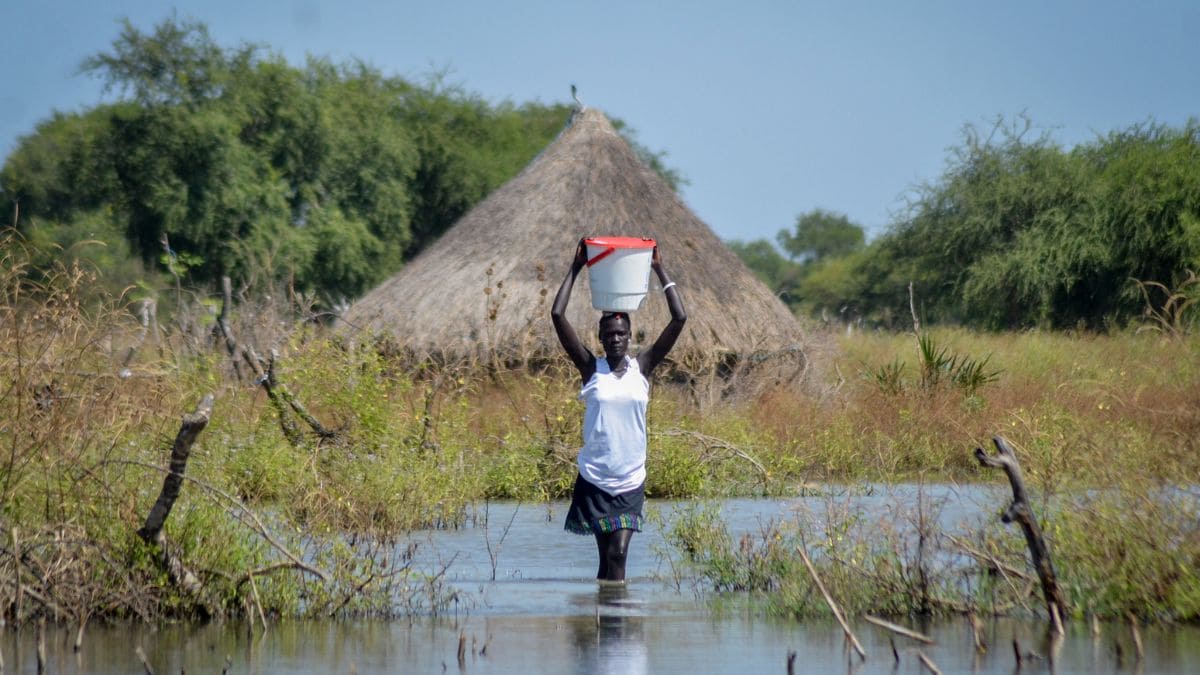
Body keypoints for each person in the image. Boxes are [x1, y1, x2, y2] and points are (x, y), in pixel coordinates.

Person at [551, 239, 687, 583]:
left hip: (630, 478)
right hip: (596, 477)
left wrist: (658, 268)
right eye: (609, 334)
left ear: (629, 337)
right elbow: (557, 315)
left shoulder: (643, 368)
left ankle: (620, 629)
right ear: (600, 337)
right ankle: (606, 623)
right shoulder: (590, 369)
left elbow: (680, 317)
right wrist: (576, 267)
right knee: (605, 558)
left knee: (619, 552)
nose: (615, 339)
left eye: (621, 334)